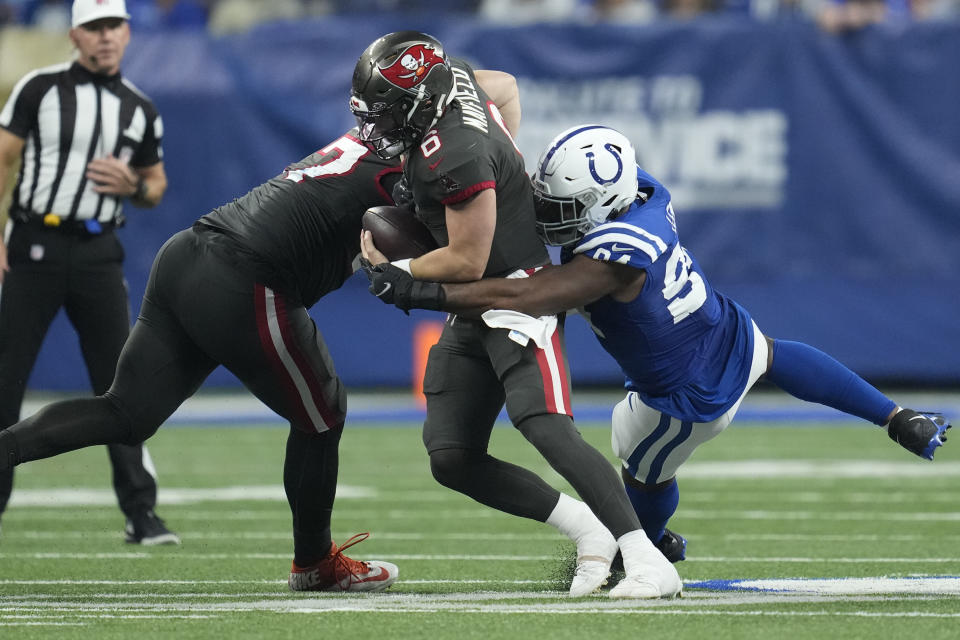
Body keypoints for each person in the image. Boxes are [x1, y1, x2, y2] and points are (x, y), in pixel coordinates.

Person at [360, 123, 952, 562]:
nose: (547, 211)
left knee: (640, 469)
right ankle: (898, 419)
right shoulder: (644, 191)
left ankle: (643, 545)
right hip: (720, 330)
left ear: (598, 208)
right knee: (772, 352)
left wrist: (421, 292)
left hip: (682, 395)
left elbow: (524, 298)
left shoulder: (615, 260)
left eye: (562, 207)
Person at [0, 124, 408, 591]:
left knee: (125, 412)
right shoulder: (419, 162)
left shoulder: (380, 141)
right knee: (323, 415)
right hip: (246, 275)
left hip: (189, 253)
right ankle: (314, 565)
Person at [351, 32, 681, 599]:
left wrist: (401, 267)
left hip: (512, 294)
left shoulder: (452, 152)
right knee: (452, 457)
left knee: (544, 422)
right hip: (472, 308)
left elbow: (467, 258)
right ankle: (589, 530)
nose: (377, 126)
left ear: (420, 102)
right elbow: (504, 89)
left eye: (388, 112)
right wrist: (508, 169)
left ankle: (648, 558)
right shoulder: (453, 84)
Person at [0, 0, 177, 544]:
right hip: (34, 245)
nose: (105, 37)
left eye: (114, 26)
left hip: (100, 253)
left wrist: (133, 187)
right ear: (75, 34)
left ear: (127, 33)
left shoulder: (140, 108)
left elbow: (156, 184)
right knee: (5, 382)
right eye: (95, 27)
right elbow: (2, 158)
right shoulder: (39, 88)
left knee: (122, 388)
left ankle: (140, 512)